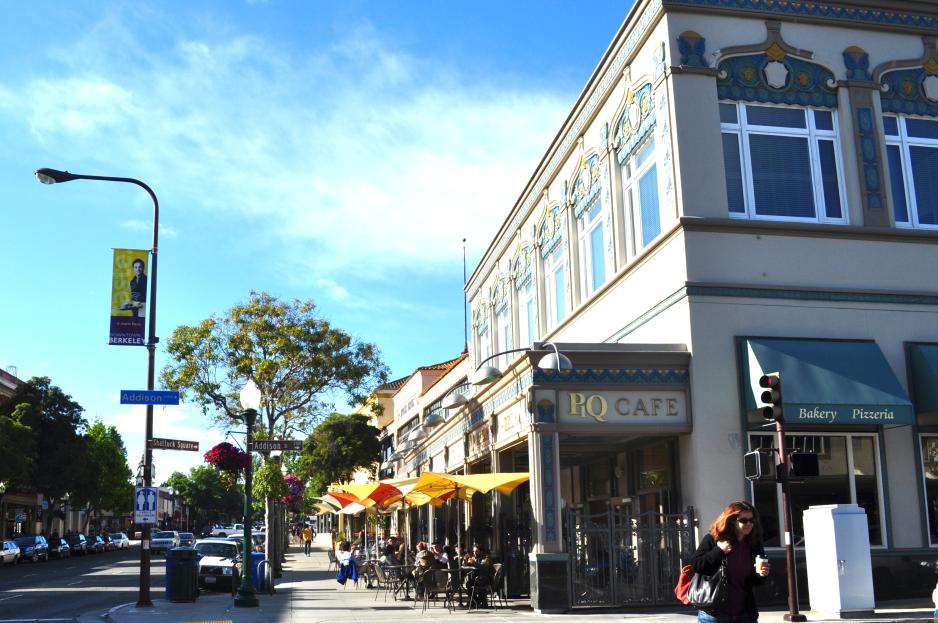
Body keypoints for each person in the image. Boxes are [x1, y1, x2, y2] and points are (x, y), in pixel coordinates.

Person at [689, 500, 770, 623]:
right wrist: (719, 550)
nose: (749, 523)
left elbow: (754, 581)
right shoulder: (714, 539)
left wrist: (762, 574)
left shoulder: (754, 544)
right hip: (714, 614)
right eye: (743, 520)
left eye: (751, 520)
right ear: (732, 521)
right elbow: (696, 565)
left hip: (745, 614)